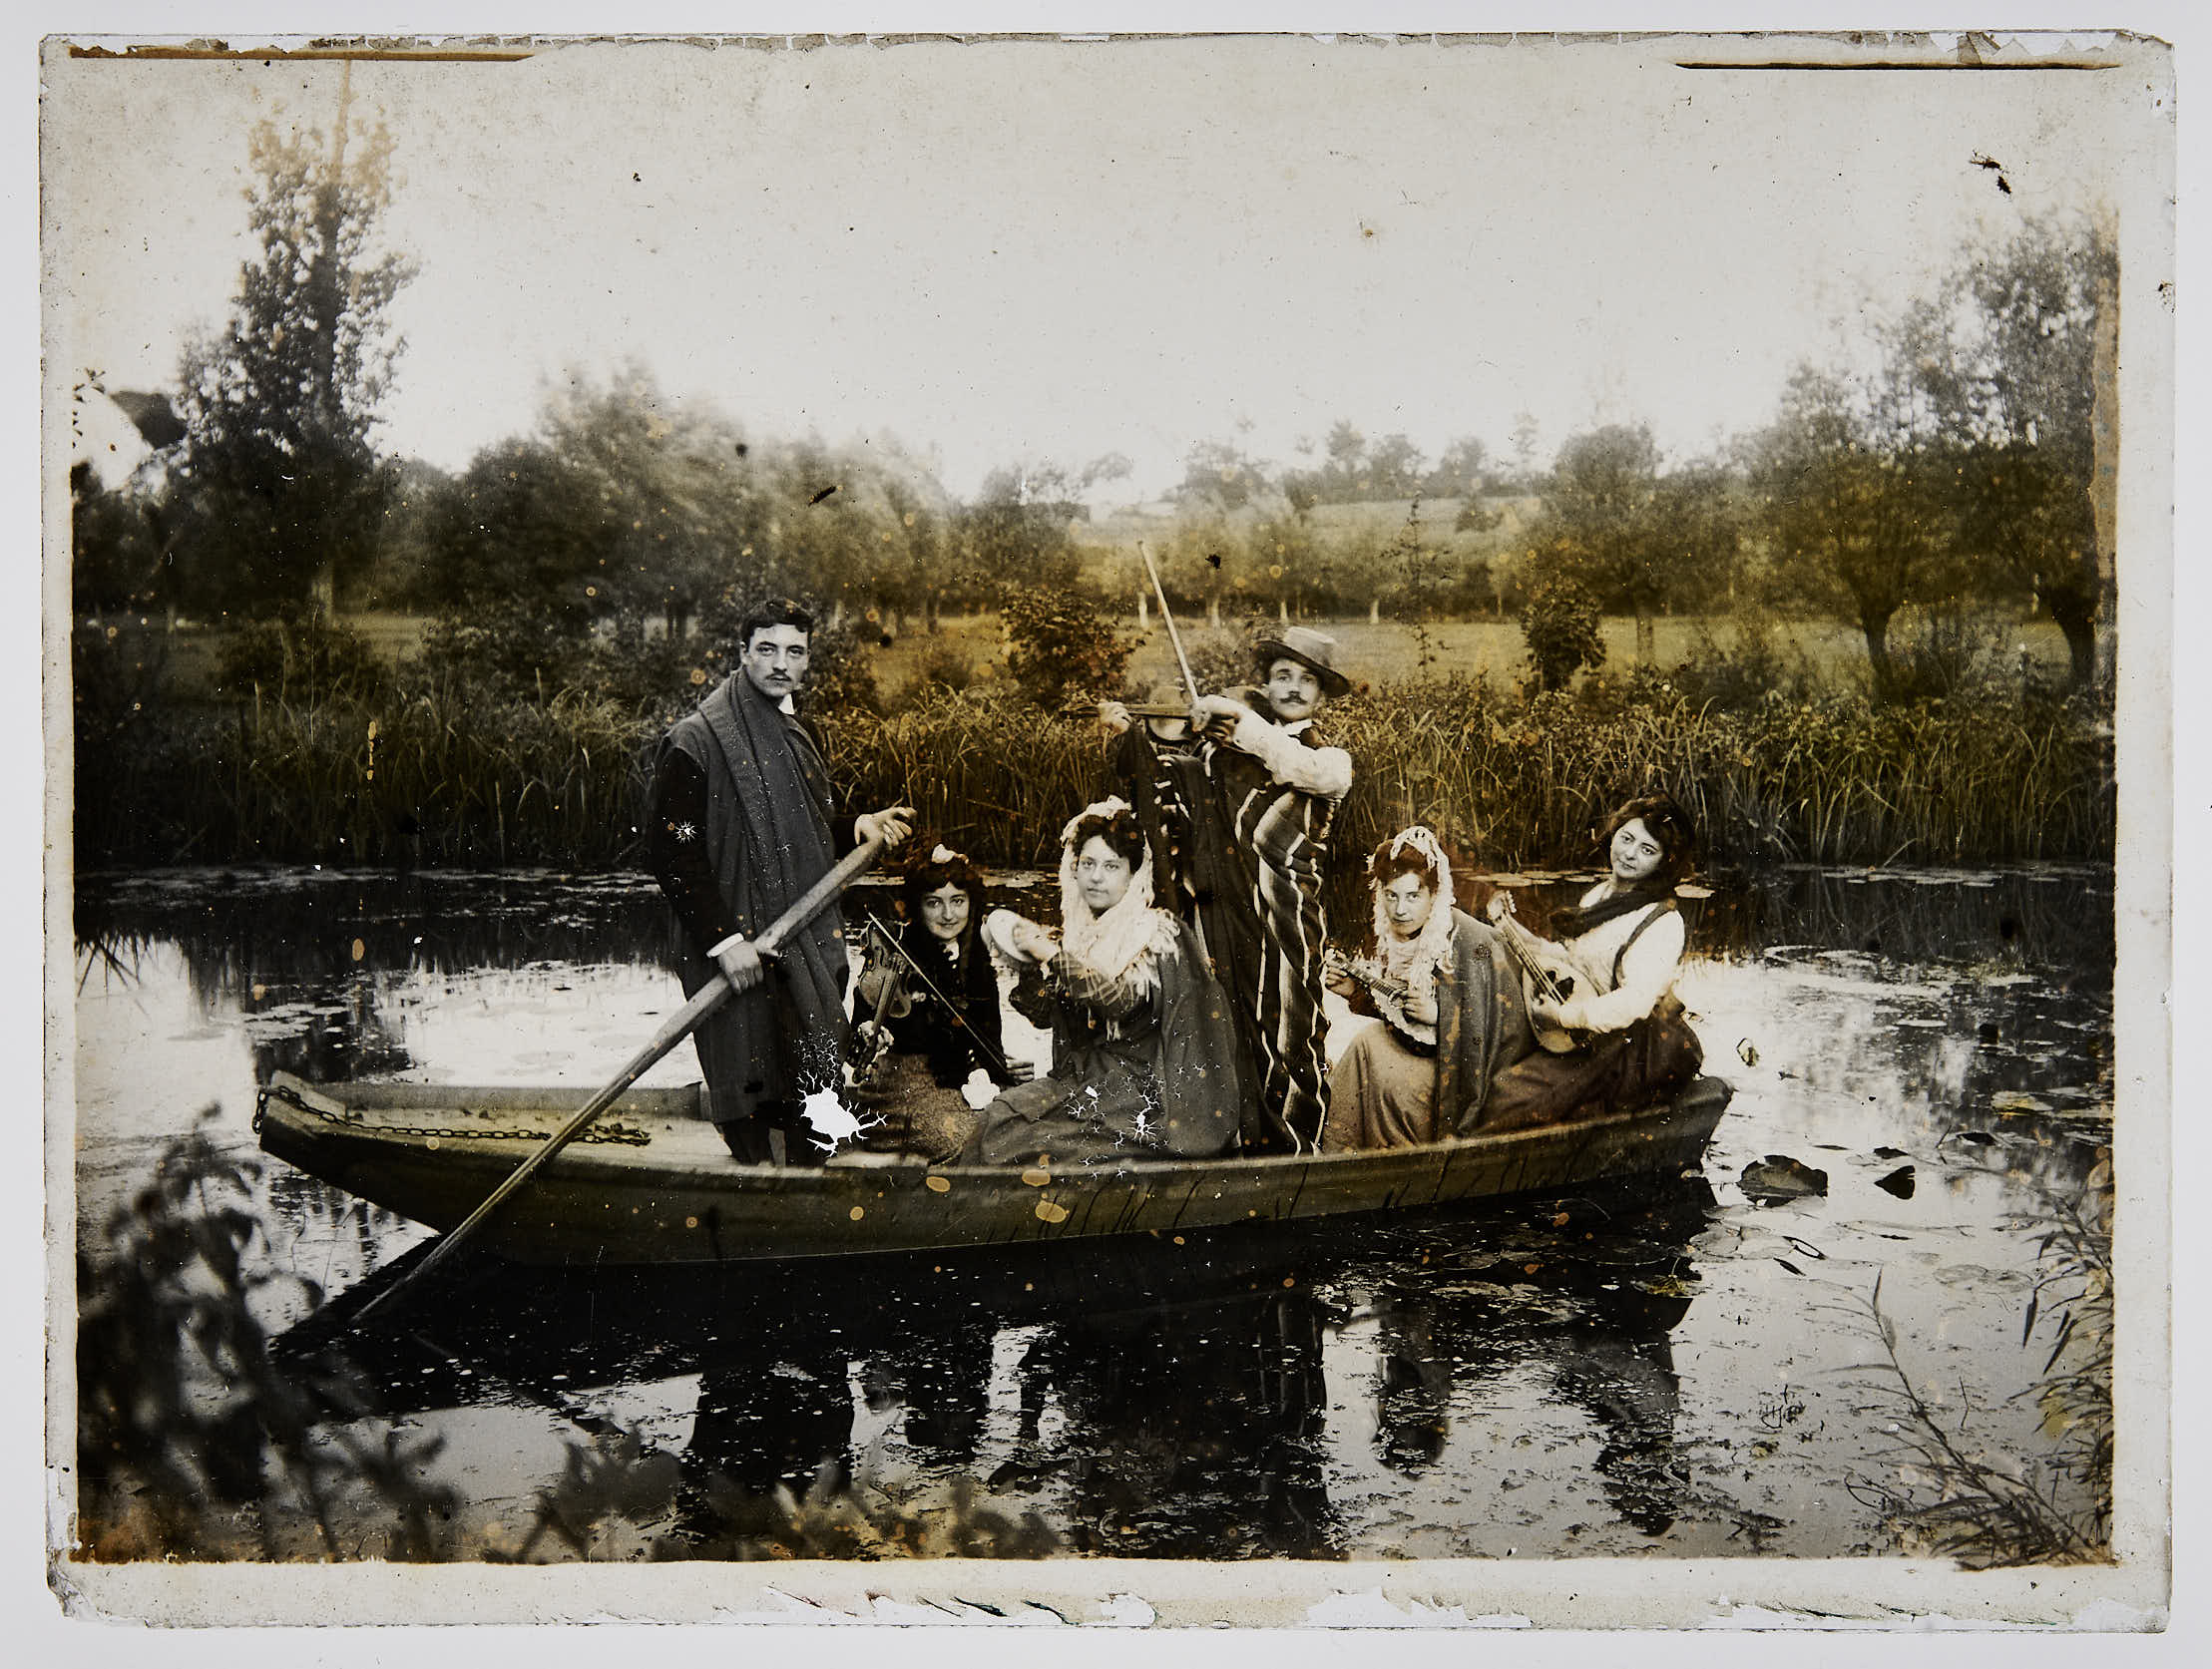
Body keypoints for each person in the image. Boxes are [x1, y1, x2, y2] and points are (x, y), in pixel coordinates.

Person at [644, 599, 913, 1164]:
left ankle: (801, 1180)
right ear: (743, 654)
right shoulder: (696, 741)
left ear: (808, 661)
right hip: (736, 949)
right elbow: (674, 853)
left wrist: (858, 826)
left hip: (800, 936)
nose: (779, 664)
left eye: (794, 651)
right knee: (750, 1084)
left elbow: (804, 833)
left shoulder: (798, 731)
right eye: (766, 650)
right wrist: (725, 942)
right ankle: (762, 1180)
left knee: (810, 1077)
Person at [1102, 626, 1353, 1155]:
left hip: (1288, 914)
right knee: (1232, 1024)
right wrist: (1146, 735)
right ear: (1266, 682)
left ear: (1322, 695)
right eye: (1282, 676)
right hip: (1230, 914)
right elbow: (1176, 786)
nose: (1292, 688)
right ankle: (1244, 1145)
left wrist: (1239, 721)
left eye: (1307, 680)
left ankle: (1299, 1149)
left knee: (1293, 1027)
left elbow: (1294, 764)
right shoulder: (1225, 755)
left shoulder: (1329, 762)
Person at [952, 798, 1247, 1168]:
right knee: (998, 1119)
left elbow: (1120, 1002)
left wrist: (1050, 954)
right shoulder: (1080, 933)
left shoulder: (1156, 933)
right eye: (1087, 864)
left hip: (1147, 1090)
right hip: (1089, 1078)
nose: (1095, 877)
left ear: (1132, 873)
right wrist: (1024, 962)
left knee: (1022, 1145)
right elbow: (1046, 1016)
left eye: (1111, 866)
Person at [1478, 796, 1705, 1132]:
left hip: (1623, 1048)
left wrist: (1563, 1016)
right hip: (1577, 1030)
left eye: (1647, 850)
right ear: (1613, 835)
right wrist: (1513, 930)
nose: (1629, 854)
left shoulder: (1661, 921)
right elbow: (1573, 961)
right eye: (1626, 839)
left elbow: (1634, 1002)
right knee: (1491, 1059)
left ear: (1663, 862)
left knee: (1507, 1101)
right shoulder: (1599, 895)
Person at [1320, 826, 1536, 1150]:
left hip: (1470, 1074)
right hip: (1433, 1052)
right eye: (1391, 896)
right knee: (1365, 1044)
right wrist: (1354, 992)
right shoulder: (1400, 936)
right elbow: (1402, 1012)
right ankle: (1337, 1157)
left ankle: (1396, 1164)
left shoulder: (1472, 940)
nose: (1400, 909)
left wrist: (1441, 1015)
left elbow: (1507, 1028)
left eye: (1412, 896)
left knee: (1388, 1077)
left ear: (1433, 894)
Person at [847, 841, 1030, 1154]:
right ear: (918, 906)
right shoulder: (893, 956)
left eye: (958, 901)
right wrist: (869, 1038)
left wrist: (999, 1065)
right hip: (901, 1087)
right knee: (968, 1144)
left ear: (972, 903)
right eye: (934, 903)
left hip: (959, 1083)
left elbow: (986, 1036)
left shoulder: (977, 960)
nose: (948, 915)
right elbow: (856, 1046)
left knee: (1034, 1125)